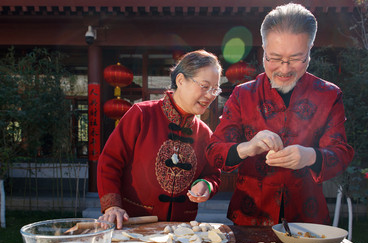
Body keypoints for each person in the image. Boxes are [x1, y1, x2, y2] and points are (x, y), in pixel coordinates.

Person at [206, 3, 354, 226]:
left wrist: (310, 156)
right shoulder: (243, 94)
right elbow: (214, 151)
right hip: (250, 217)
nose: (284, 69)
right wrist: (247, 147)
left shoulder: (328, 95)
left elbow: (341, 153)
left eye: (296, 58)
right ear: (263, 48)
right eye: (274, 58)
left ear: (310, 48)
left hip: (307, 219)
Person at [97, 50, 222, 229]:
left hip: (180, 232)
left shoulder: (205, 134)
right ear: (180, 80)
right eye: (204, 86)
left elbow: (213, 175)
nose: (210, 95)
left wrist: (206, 185)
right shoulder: (141, 115)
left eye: (214, 89)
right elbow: (110, 161)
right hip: (131, 226)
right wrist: (112, 206)